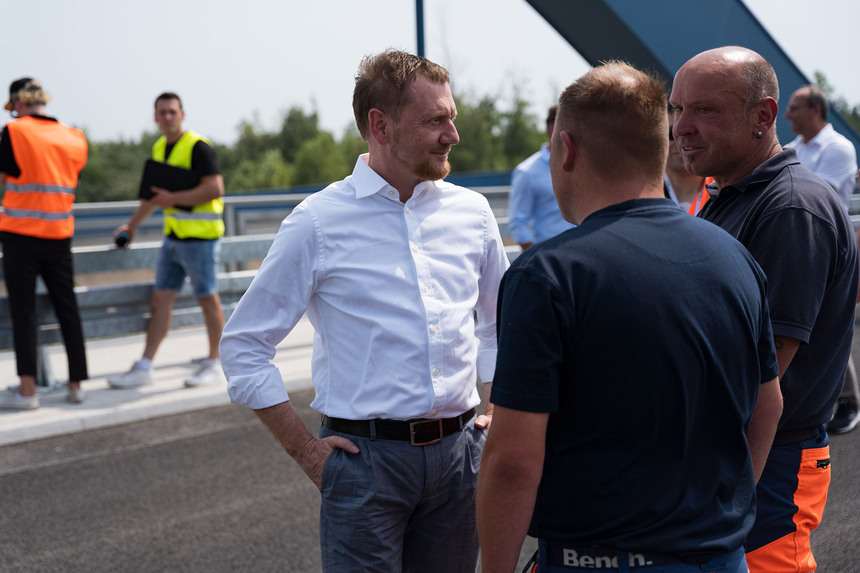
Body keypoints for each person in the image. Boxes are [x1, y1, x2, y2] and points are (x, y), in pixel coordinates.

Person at [477, 61, 782, 573]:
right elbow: (768, 404)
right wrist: (719, 520)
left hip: (597, 559)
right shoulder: (734, 257)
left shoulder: (546, 276)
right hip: (720, 556)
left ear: (565, 150)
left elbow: (512, 460)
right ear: (659, 148)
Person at [220, 49, 508, 572]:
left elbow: (498, 324)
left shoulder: (473, 213)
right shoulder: (318, 222)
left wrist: (495, 408)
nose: (453, 135)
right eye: (435, 120)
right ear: (380, 125)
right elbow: (244, 345)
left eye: (452, 118)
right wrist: (307, 453)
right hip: (365, 466)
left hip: (461, 457)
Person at [671, 46, 859, 573]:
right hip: (728, 452)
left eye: (704, 110)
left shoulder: (791, 207)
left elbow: (761, 367)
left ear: (763, 116)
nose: (680, 127)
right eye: (677, 108)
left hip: (767, 461)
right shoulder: (729, 193)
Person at [108, 92, 226, 389]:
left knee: (207, 299)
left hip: (201, 239)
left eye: (172, 112)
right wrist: (132, 226)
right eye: (162, 113)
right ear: (155, 117)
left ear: (182, 114)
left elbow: (215, 189)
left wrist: (171, 198)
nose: (167, 117)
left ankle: (216, 362)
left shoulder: (198, 147)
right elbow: (153, 197)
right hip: (172, 239)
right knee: (160, 300)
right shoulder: (160, 146)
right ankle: (144, 366)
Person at [0, 78, 89, 410]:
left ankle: (27, 392)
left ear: (18, 103)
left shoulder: (16, 132)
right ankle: (76, 385)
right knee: (68, 309)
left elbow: (4, 178)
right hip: (60, 234)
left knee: (24, 311)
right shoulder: (74, 137)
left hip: (20, 234)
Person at [784, 84, 860, 434]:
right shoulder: (793, 148)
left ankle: (849, 401)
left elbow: (813, 194)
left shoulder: (838, 148)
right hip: (794, 244)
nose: (787, 115)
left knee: (825, 323)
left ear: (815, 110)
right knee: (801, 322)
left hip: (828, 247)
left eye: (794, 107)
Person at [507, 104, 574, 249]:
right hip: (552, 255)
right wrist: (538, 259)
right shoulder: (527, 172)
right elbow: (518, 222)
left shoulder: (582, 166)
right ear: (552, 128)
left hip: (583, 254)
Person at [664, 106, 713, 215]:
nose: (680, 142)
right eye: (671, 134)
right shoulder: (643, 191)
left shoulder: (722, 188)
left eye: (690, 133)